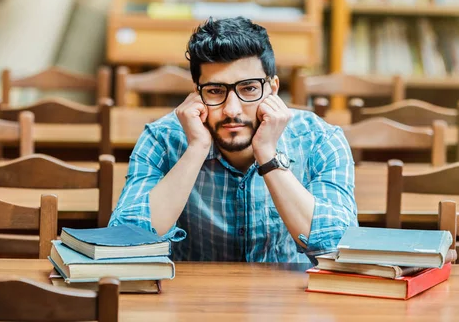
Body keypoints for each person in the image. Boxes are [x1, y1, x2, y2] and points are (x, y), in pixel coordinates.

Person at [109, 17, 357, 263]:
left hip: (292, 300)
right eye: (215, 91)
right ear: (197, 94)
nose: (232, 110)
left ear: (273, 89)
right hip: (192, 300)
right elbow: (125, 243)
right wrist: (196, 149)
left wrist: (268, 156)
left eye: (249, 88)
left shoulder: (320, 139)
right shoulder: (161, 139)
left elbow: (341, 248)